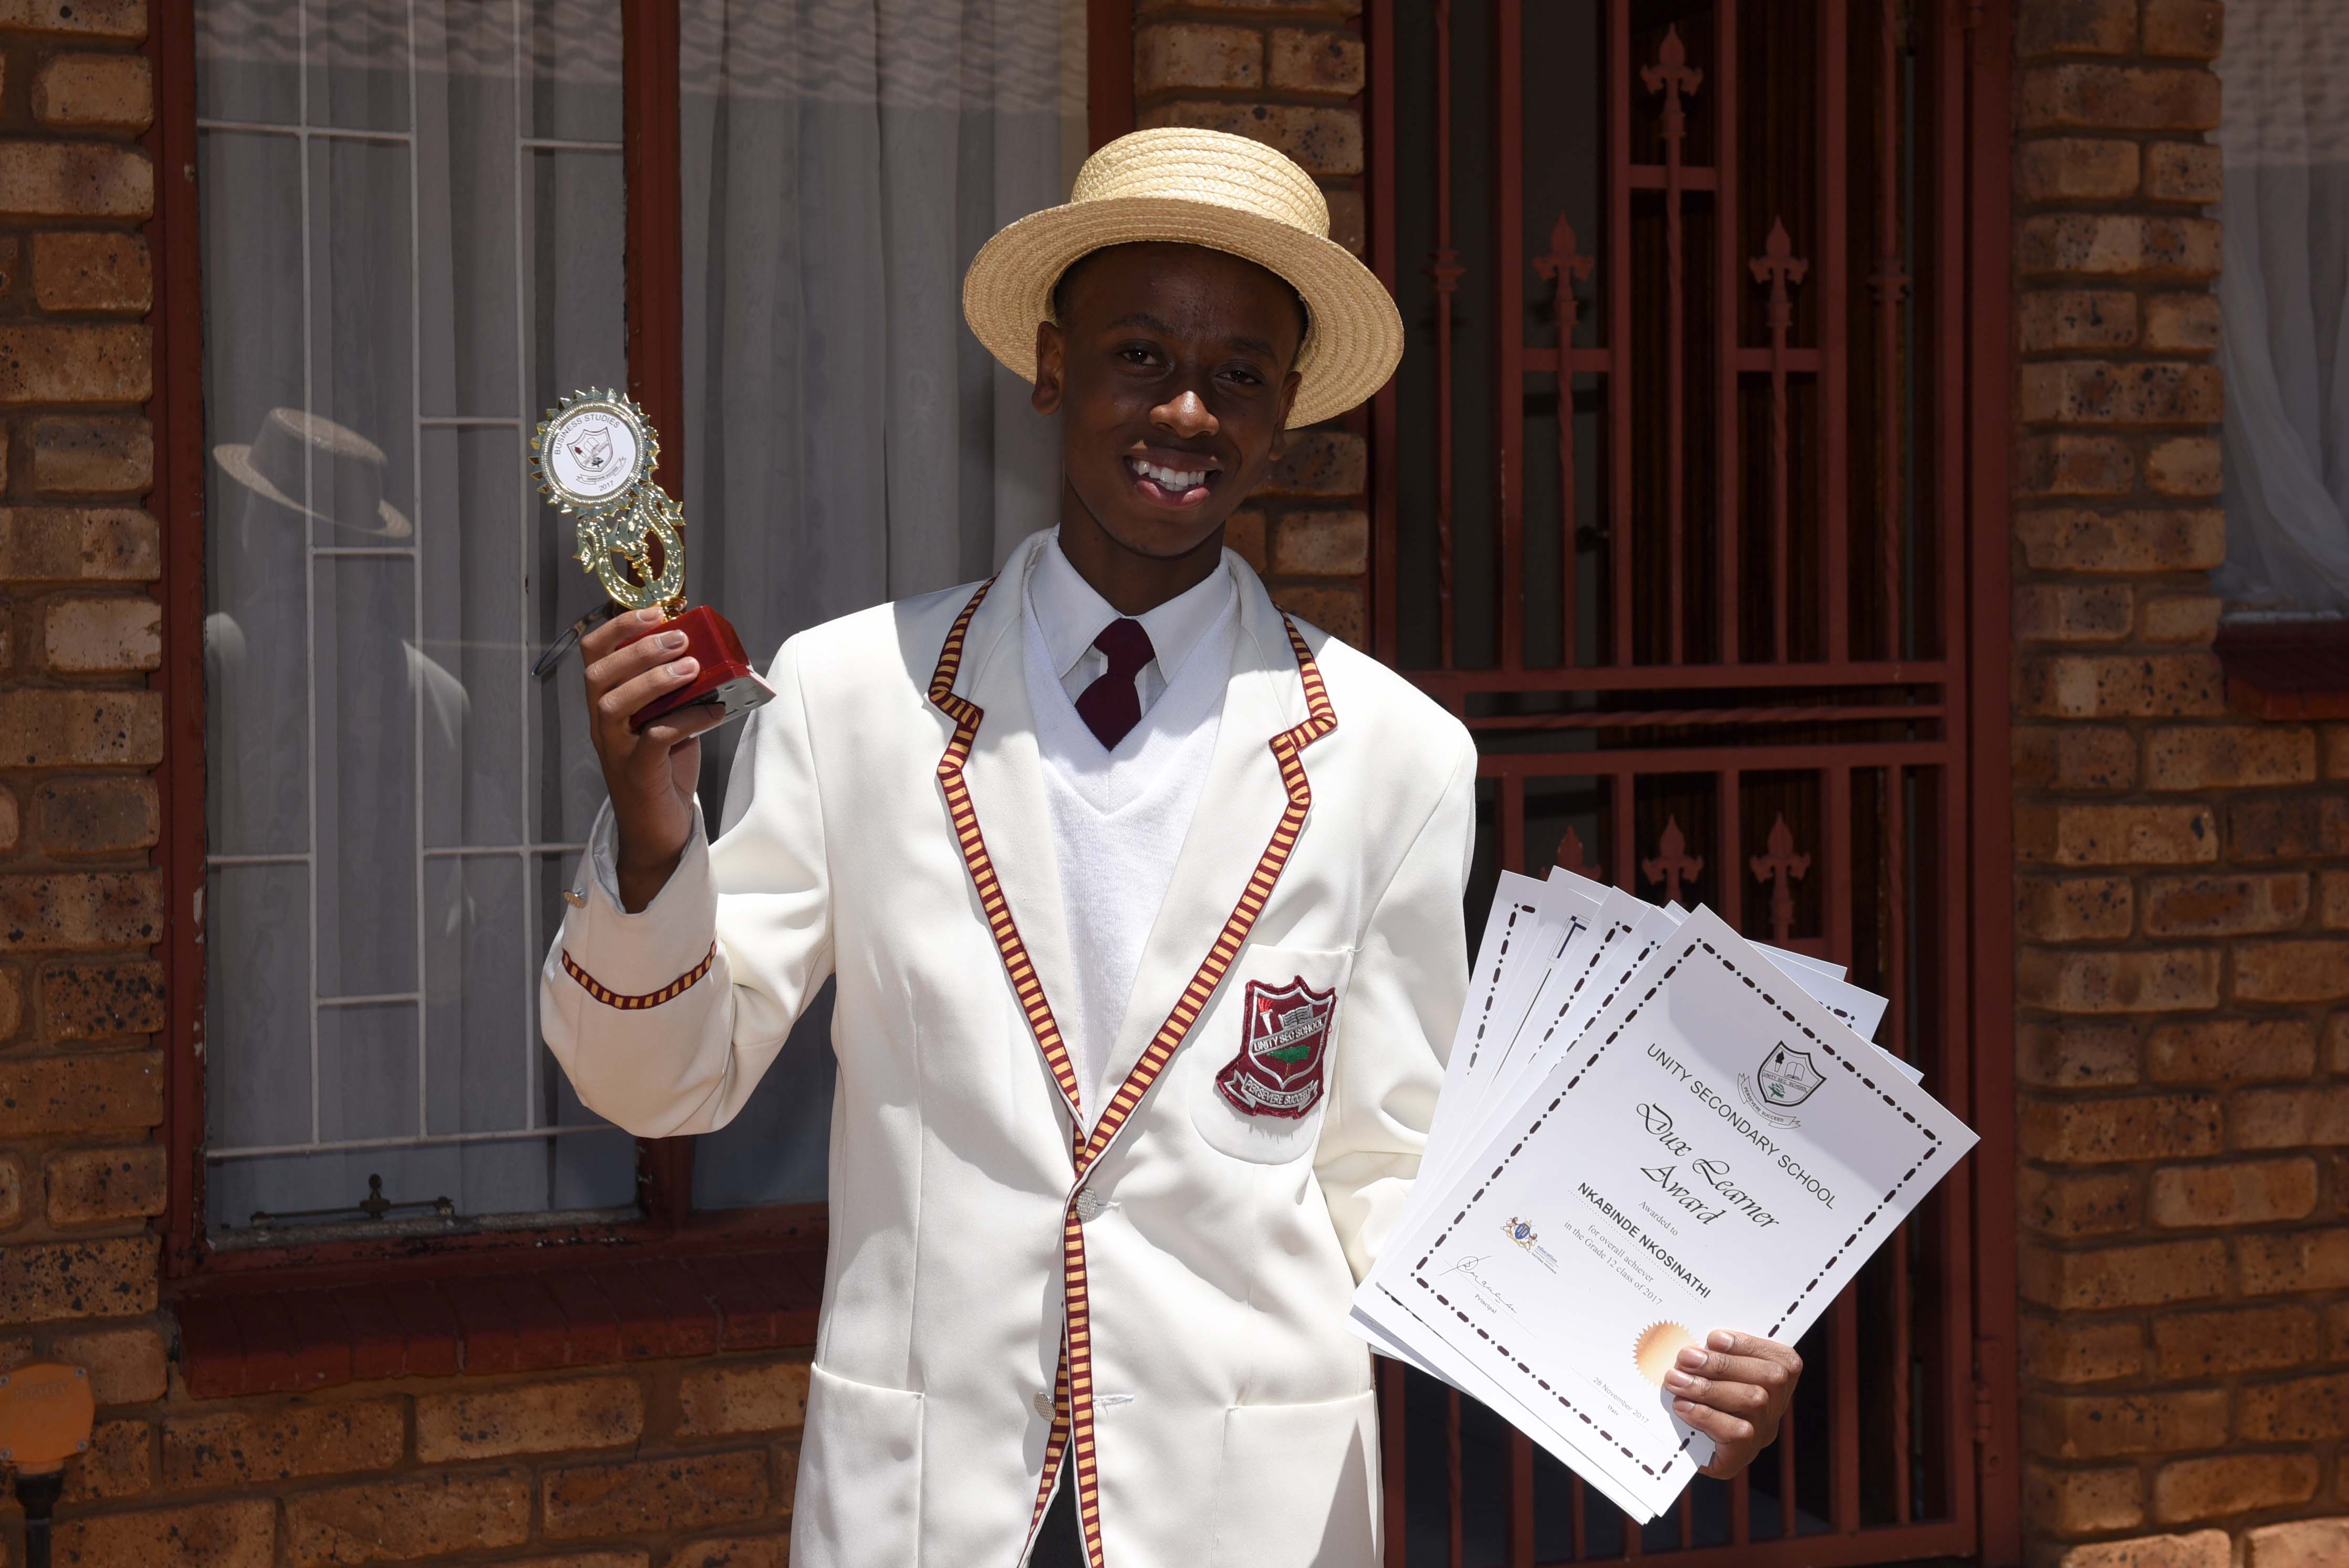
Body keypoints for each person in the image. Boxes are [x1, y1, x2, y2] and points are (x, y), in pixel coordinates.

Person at [542, 128, 1801, 1568]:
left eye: (1242, 375)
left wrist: (1659, 1360)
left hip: (1248, 1503)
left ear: (1286, 418)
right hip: (929, 1495)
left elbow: (1390, 1165)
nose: (1189, 408)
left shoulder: (1396, 753)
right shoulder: (855, 697)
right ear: (1050, 367)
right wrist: (653, 841)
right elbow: (662, 1078)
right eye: (1141, 354)